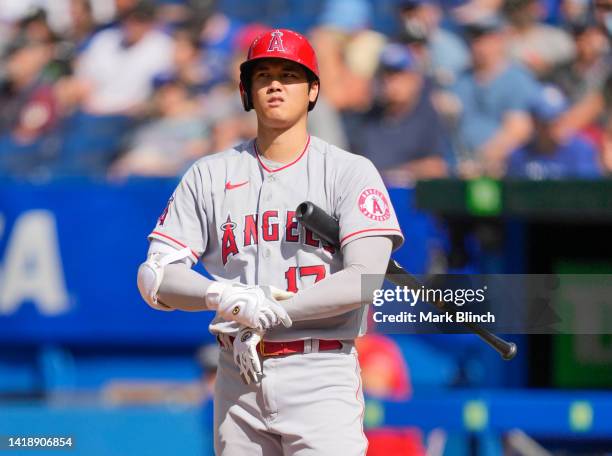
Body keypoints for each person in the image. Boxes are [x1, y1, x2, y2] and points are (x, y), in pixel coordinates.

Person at [136, 28, 404, 455]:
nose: (275, 84)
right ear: (247, 89)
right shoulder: (209, 174)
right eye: (263, 75)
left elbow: (364, 280)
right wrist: (223, 295)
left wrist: (270, 311)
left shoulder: (349, 171)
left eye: (289, 74)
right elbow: (155, 277)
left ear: (313, 90)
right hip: (237, 372)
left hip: (320, 371)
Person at [354, 43, 448, 187]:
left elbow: (437, 168)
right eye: (386, 74)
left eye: (398, 74)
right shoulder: (369, 118)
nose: (390, 81)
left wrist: (394, 174)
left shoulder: (428, 115)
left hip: (413, 200)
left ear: (415, 79)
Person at [506, 84, 602, 179]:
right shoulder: (520, 155)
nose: (556, 124)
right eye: (548, 121)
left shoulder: (581, 151)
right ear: (535, 122)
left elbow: (588, 190)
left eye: (560, 117)